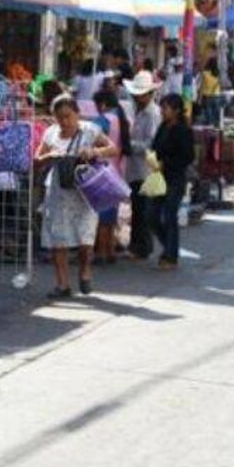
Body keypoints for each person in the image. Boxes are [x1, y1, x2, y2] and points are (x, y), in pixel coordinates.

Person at [35, 95, 119, 297]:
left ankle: (85, 272)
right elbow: (36, 158)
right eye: (59, 117)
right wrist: (49, 157)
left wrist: (93, 152)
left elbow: (113, 149)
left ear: (77, 114)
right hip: (58, 192)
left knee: (85, 239)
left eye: (68, 116)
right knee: (59, 240)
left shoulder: (90, 130)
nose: (64, 122)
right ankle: (62, 284)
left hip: (85, 192)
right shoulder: (51, 133)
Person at [149, 94, 195, 270]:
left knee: (170, 215)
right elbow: (155, 146)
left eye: (165, 108)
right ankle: (168, 245)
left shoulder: (183, 130)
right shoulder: (163, 126)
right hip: (158, 177)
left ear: (175, 110)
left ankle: (171, 254)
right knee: (151, 215)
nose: (162, 111)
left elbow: (188, 156)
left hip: (175, 178)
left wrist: (166, 162)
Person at [122, 71, 162, 260]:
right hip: (136, 167)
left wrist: (132, 146)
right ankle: (137, 245)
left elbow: (151, 142)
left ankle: (142, 246)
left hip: (144, 167)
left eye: (140, 94)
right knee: (138, 208)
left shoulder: (152, 113)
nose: (137, 97)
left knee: (142, 209)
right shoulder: (139, 110)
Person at [92, 90, 130, 263]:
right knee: (110, 215)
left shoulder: (103, 120)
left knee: (101, 215)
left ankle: (100, 252)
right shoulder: (121, 119)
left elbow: (92, 139)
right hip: (117, 169)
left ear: (103, 104)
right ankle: (110, 250)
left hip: (102, 170)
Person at [198, 58, 223, 125]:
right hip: (216, 95)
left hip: (207, 95)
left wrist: (199, 97)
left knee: (208, 116)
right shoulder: (218, 73)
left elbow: (202, 86)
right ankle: (217, 126)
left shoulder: (205, 73)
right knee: (216, 113)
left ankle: (209, 126)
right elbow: (220, 84)